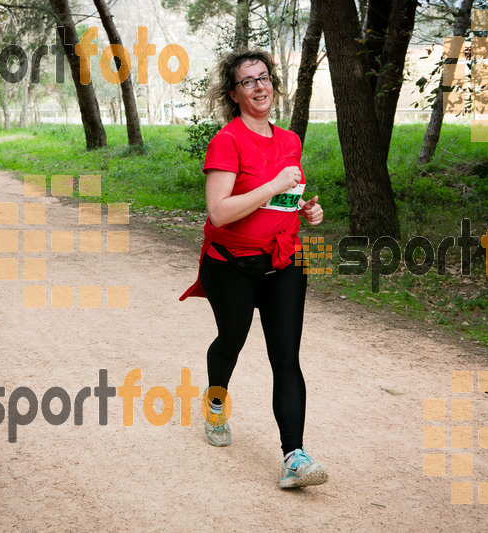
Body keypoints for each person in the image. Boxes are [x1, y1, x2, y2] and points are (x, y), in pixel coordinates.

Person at [180, 50, 326, 489]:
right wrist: (275, 185)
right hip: (231, 265)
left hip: (284, 261)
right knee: (231, 341)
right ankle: (217, 399)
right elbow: (220, 212)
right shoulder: (227, 140)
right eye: (248, 81)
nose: (260, 87)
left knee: (286, 357)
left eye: (264, 78)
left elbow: (280, 201)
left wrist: (304, 210)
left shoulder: (290, 140)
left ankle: (294, 456)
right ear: (234, 93)